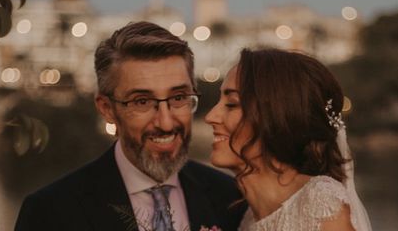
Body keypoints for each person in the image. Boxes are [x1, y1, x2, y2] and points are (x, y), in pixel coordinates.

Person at [16, 21, 245, 231]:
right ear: (107, 108)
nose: (166, 123)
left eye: (178, 98)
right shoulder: (50, 212)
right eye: (142, 102)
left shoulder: (231, 198)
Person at [205, 48, 372, 231]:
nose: (210, 116)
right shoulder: (248, 220)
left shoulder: (320, 205)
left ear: (277, 116)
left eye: (232, 104)